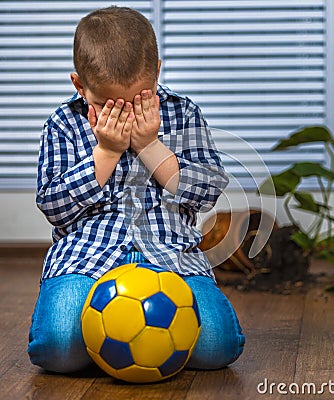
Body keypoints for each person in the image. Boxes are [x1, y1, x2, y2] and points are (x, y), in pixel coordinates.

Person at [28, 6, 245, 374]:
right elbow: (54, 207)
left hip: (172, 258)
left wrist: (149, 146)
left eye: (139, 100)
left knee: (218, 348)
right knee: (58, 348)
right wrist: (107, 152)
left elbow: (206, 192)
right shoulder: (63, 124)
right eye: (108, 106)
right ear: (80, 85)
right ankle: (114, 344)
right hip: (85, 260)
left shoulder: (184, 112)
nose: (127, 117)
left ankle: (116, 346)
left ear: (157, 71)